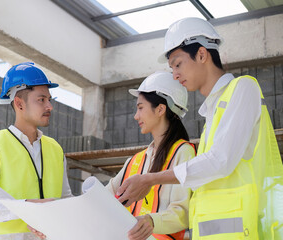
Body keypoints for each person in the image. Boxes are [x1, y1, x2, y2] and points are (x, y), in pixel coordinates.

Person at [116, 17, 283, 239]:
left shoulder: (243, 88)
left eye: (178, 64)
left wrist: (150, 179)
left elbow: (220, 161)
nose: (174, 74)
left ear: (202, 55)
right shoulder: (212, 114)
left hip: (246, 232)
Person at [0, 62, 72, 240]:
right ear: (19, 103)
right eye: (41, 100)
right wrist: (28, 207)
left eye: (49, 99)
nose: (50, 106)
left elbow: (65, 199)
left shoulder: (55, 149)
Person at [106, 71, 196, 240]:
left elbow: (183, 212)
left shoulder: (183, 153)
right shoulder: (135, 161)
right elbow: (103, 198)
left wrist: (151, 221)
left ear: (161, 109)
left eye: (140, 108)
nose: (136, 116)